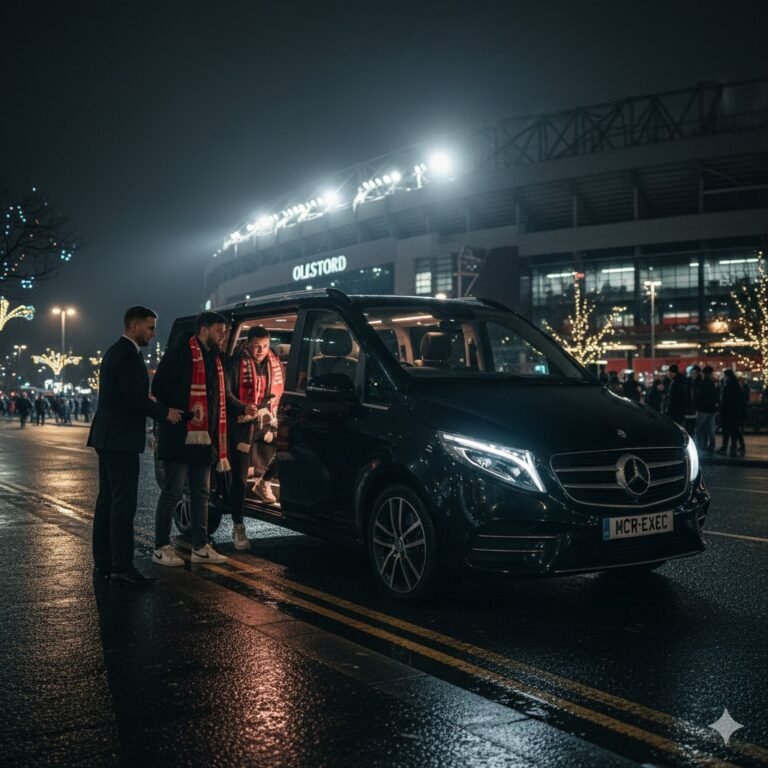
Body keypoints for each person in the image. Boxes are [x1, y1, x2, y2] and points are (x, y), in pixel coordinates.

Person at [87, 306, 182, 587]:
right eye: (150, 328)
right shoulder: (128, 354)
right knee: (122, 504)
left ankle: (104, 560)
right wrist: (166, 413)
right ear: (135, 326)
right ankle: (122, 566)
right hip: (120, 439)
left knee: (107, 501)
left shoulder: (116, 351)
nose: (153, 334)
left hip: (108, 437)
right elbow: (135, 399)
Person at [152, 311, 253, 566]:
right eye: (220, 332)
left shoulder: (216, 361)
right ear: (204, 330)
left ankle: (200, 546)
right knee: (173, 492)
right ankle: (161, 546)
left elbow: (224, 397)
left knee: (201, 494)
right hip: (180, 436)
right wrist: (185, 408)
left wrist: (243, 408)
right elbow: (159, 387)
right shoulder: (180, 353)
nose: (223, 337)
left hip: (206, 440)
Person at [226, 326, 284, 550]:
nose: (261, 350)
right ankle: (238, 526)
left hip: (265, 419)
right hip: (241, 423)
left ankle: (264, 481)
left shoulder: (274, 362)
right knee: (240, 478)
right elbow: (226, 393)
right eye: (257, 346)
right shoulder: (234, 363)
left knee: (288, 447)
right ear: (248, 344)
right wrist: (243, 408)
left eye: (266, 346)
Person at [717, 369, 743, 457]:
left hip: (728, 412)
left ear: (727, 376)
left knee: (727, 431)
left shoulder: (728, 385)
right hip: (734, 412)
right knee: (734, 431)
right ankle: (733, 447)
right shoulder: (736, 384)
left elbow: (725, 399)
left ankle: (725, 447)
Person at [694, 366, 718, 452]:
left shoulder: (703, 383)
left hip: (703, 410)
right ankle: (711, 445)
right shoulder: (713, 383)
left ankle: (700, 445)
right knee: (711, 429)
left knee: (699, 429)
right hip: (712, 409)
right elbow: (715, 396)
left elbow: (699, 396)